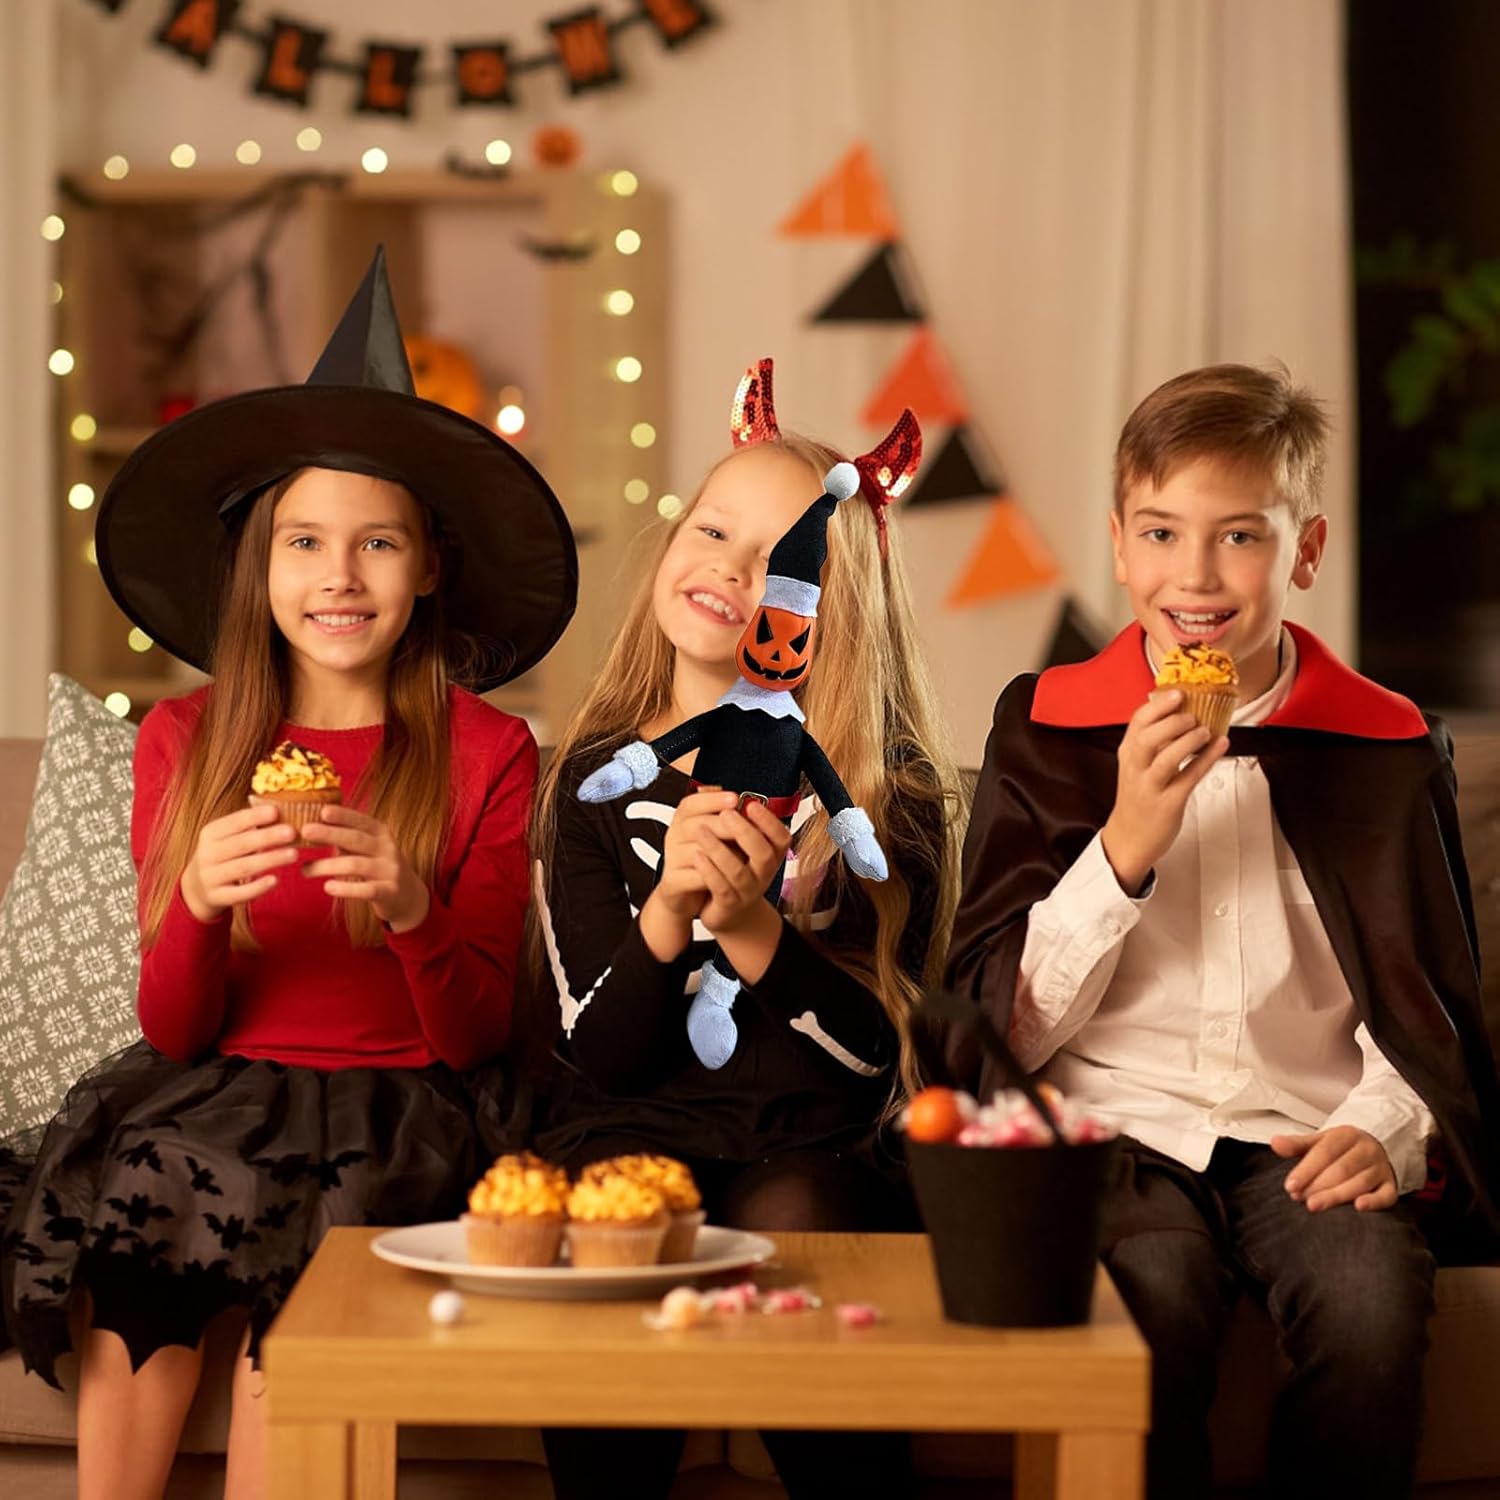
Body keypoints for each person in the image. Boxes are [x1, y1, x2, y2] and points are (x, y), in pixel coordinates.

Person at [0, 248, 576, 1500]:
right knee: (155, 1193)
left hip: (405, 1103)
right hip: (217, 1092)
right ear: (259, 567)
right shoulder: (187, 738)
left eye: (379, 543)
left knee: (324, 1262)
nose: (339, 576)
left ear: (429, 566)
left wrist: (413, 907)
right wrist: (199, 906)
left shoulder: (489, 749)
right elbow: (176, 1027)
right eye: (305, 541)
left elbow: (474, 1034)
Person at [943, 362, 1500, 1500]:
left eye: (1240, 536)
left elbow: (1428, 1011)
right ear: (1118, 546)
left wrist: (1388, 1128)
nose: (1195, 577)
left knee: (1369, 1311)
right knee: (1148, 1308)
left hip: (1307, 1133)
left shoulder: (1389, 749)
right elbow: (998, 1030)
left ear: (1306, 551)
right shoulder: (1043, 730)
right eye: (1161, 532)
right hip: (1114, 1131)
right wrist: (1125, 845)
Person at [524, 359, 962, 1498]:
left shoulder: (885, 799)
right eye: (712, 529)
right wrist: (670, 911)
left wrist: (758, 927)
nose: (728, 567)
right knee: (614, 1223)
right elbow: (597, 1054)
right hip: (623, 1120)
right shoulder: (592, 783)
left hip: (807, 1137)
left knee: (803, 1217)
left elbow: (875, 1064)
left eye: (777, 562)